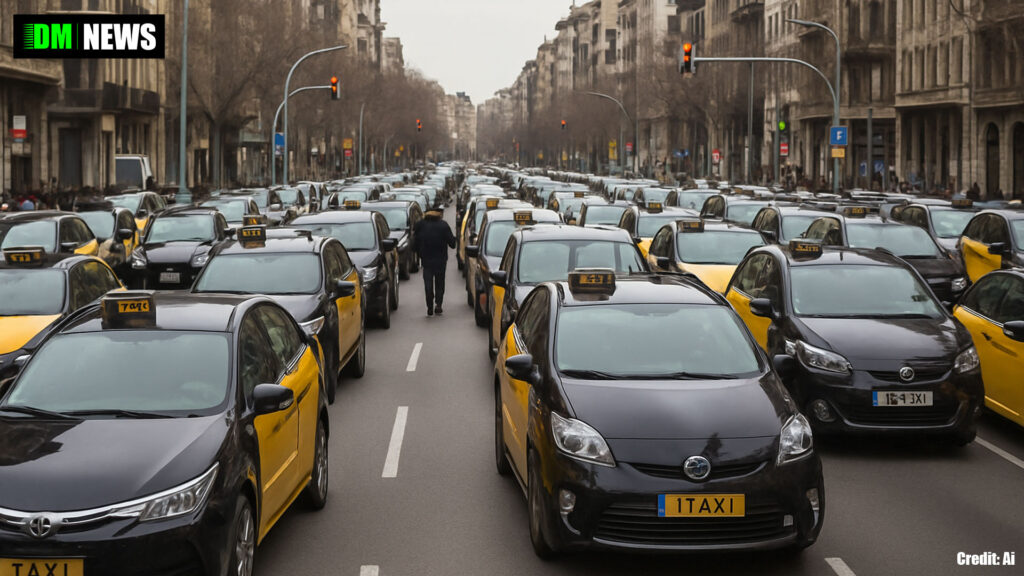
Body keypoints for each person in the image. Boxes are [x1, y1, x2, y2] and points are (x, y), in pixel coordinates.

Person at [413, 209, 456, 317]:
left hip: (426, 260)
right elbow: (452, 243)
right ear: (439, 216)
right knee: (440, 283)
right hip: (441, 260)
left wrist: (418, 252)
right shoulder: (443, 225)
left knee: (428, 284)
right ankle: (438, 304)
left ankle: (429, 306)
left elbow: (414, 244)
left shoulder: (420, 225)